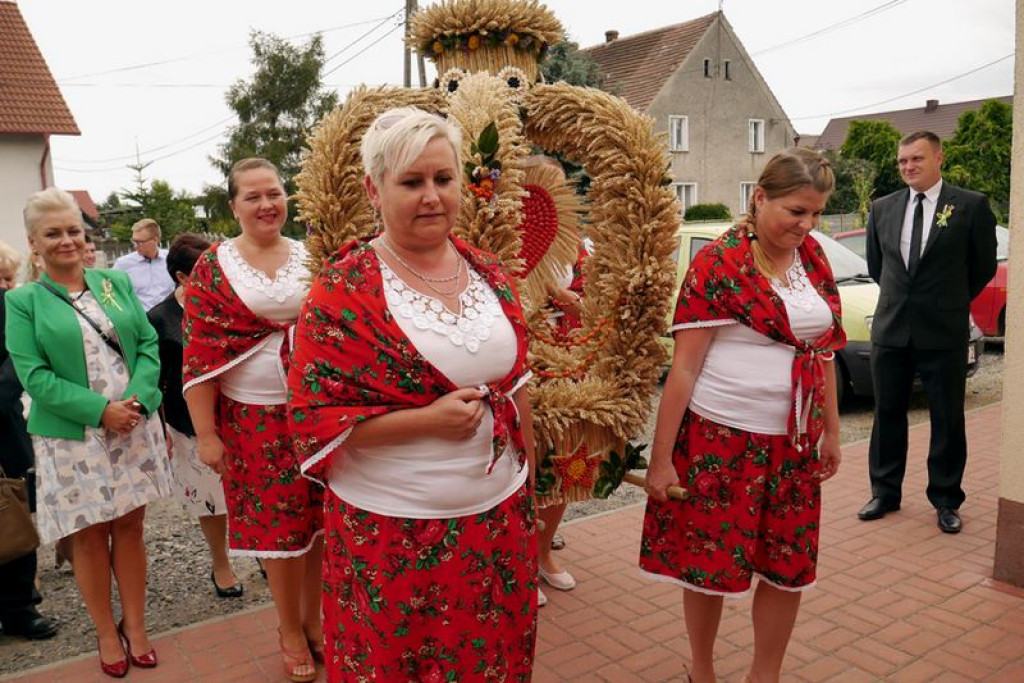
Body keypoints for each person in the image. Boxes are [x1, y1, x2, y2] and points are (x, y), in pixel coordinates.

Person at [288, 107, 538, 682]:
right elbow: (311, 420)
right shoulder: (342, 290)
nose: (432, 196)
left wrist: (530, 478)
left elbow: (517, 384)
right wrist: (424, 422)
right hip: (394, 533)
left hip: (497, 523)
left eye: (443, 179)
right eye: (412, 182)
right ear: (374, 190)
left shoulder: (488, 271)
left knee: (490, 665)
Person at [641, 149, 844, 683]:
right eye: (797, 211)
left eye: (817, 213)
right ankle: (702, 671)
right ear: (760, 198)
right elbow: (683, 369)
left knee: (786, 568)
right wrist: (662, 460)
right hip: (722, 438)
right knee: (708, 565)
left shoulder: (815, 259)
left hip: (796, 442)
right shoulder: (718, 263)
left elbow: (821, 351)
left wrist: (833, 434)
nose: (807, 225)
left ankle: (765, 676)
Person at [4, 188, 172, 677]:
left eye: (73, 230)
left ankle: (136, 625)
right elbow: (33, 375)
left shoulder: (112, 283)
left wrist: (137, 401)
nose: (66, 240)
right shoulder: (23, 301)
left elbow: (147, 343)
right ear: (34, 242)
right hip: (73, 436)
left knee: (130, 527)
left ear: (85, 234)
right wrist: (101, 411)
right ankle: (105, 632)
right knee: (91, 535)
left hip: (134, 425)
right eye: (53, 233)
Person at [183, 158, 323, 683]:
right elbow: (199, 355)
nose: (267, 205)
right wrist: (206, 434)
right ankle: (288, 628)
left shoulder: (313, 257)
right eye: (254, 196)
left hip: (315, 415)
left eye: (275, 193)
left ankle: (314, 620)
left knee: (320, 526)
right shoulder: (215, 267)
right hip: (252, 423)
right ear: (234, 205)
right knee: (281, 534)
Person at [859, 131, 997, 534]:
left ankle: (946, 499)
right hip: (891, 329)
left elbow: (982, 266)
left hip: (943, 331)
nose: (908, 167)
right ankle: (884, 492)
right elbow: (876, 266)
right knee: (886, 414)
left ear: (939, 157)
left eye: (916, 159)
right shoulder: (882, 208)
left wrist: (947, 301)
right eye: (903, 161)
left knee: (947, 418)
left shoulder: (970, 206)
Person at [148, 233, 242, 599]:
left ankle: (263, 554)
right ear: (183, 278)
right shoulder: (159, 319)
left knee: (248, 492)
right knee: (210, 497)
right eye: (206, 270)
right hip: (188, 422)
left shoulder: (231, 305)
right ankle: (221, 563)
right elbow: (155, 379)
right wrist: (161, 427)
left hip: (237, 413)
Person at [0, 245, 58, 642]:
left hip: (1, 431)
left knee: (13, 521)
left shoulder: (7, 306)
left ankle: (22, 608)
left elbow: (16, 364)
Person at [113, 218, 174, 310]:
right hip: (141, 319)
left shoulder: (171, 259)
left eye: (140, 242)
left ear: (155, 240)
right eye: (133, 241)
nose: (135, 245)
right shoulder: (122, 264)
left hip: (168, 318)